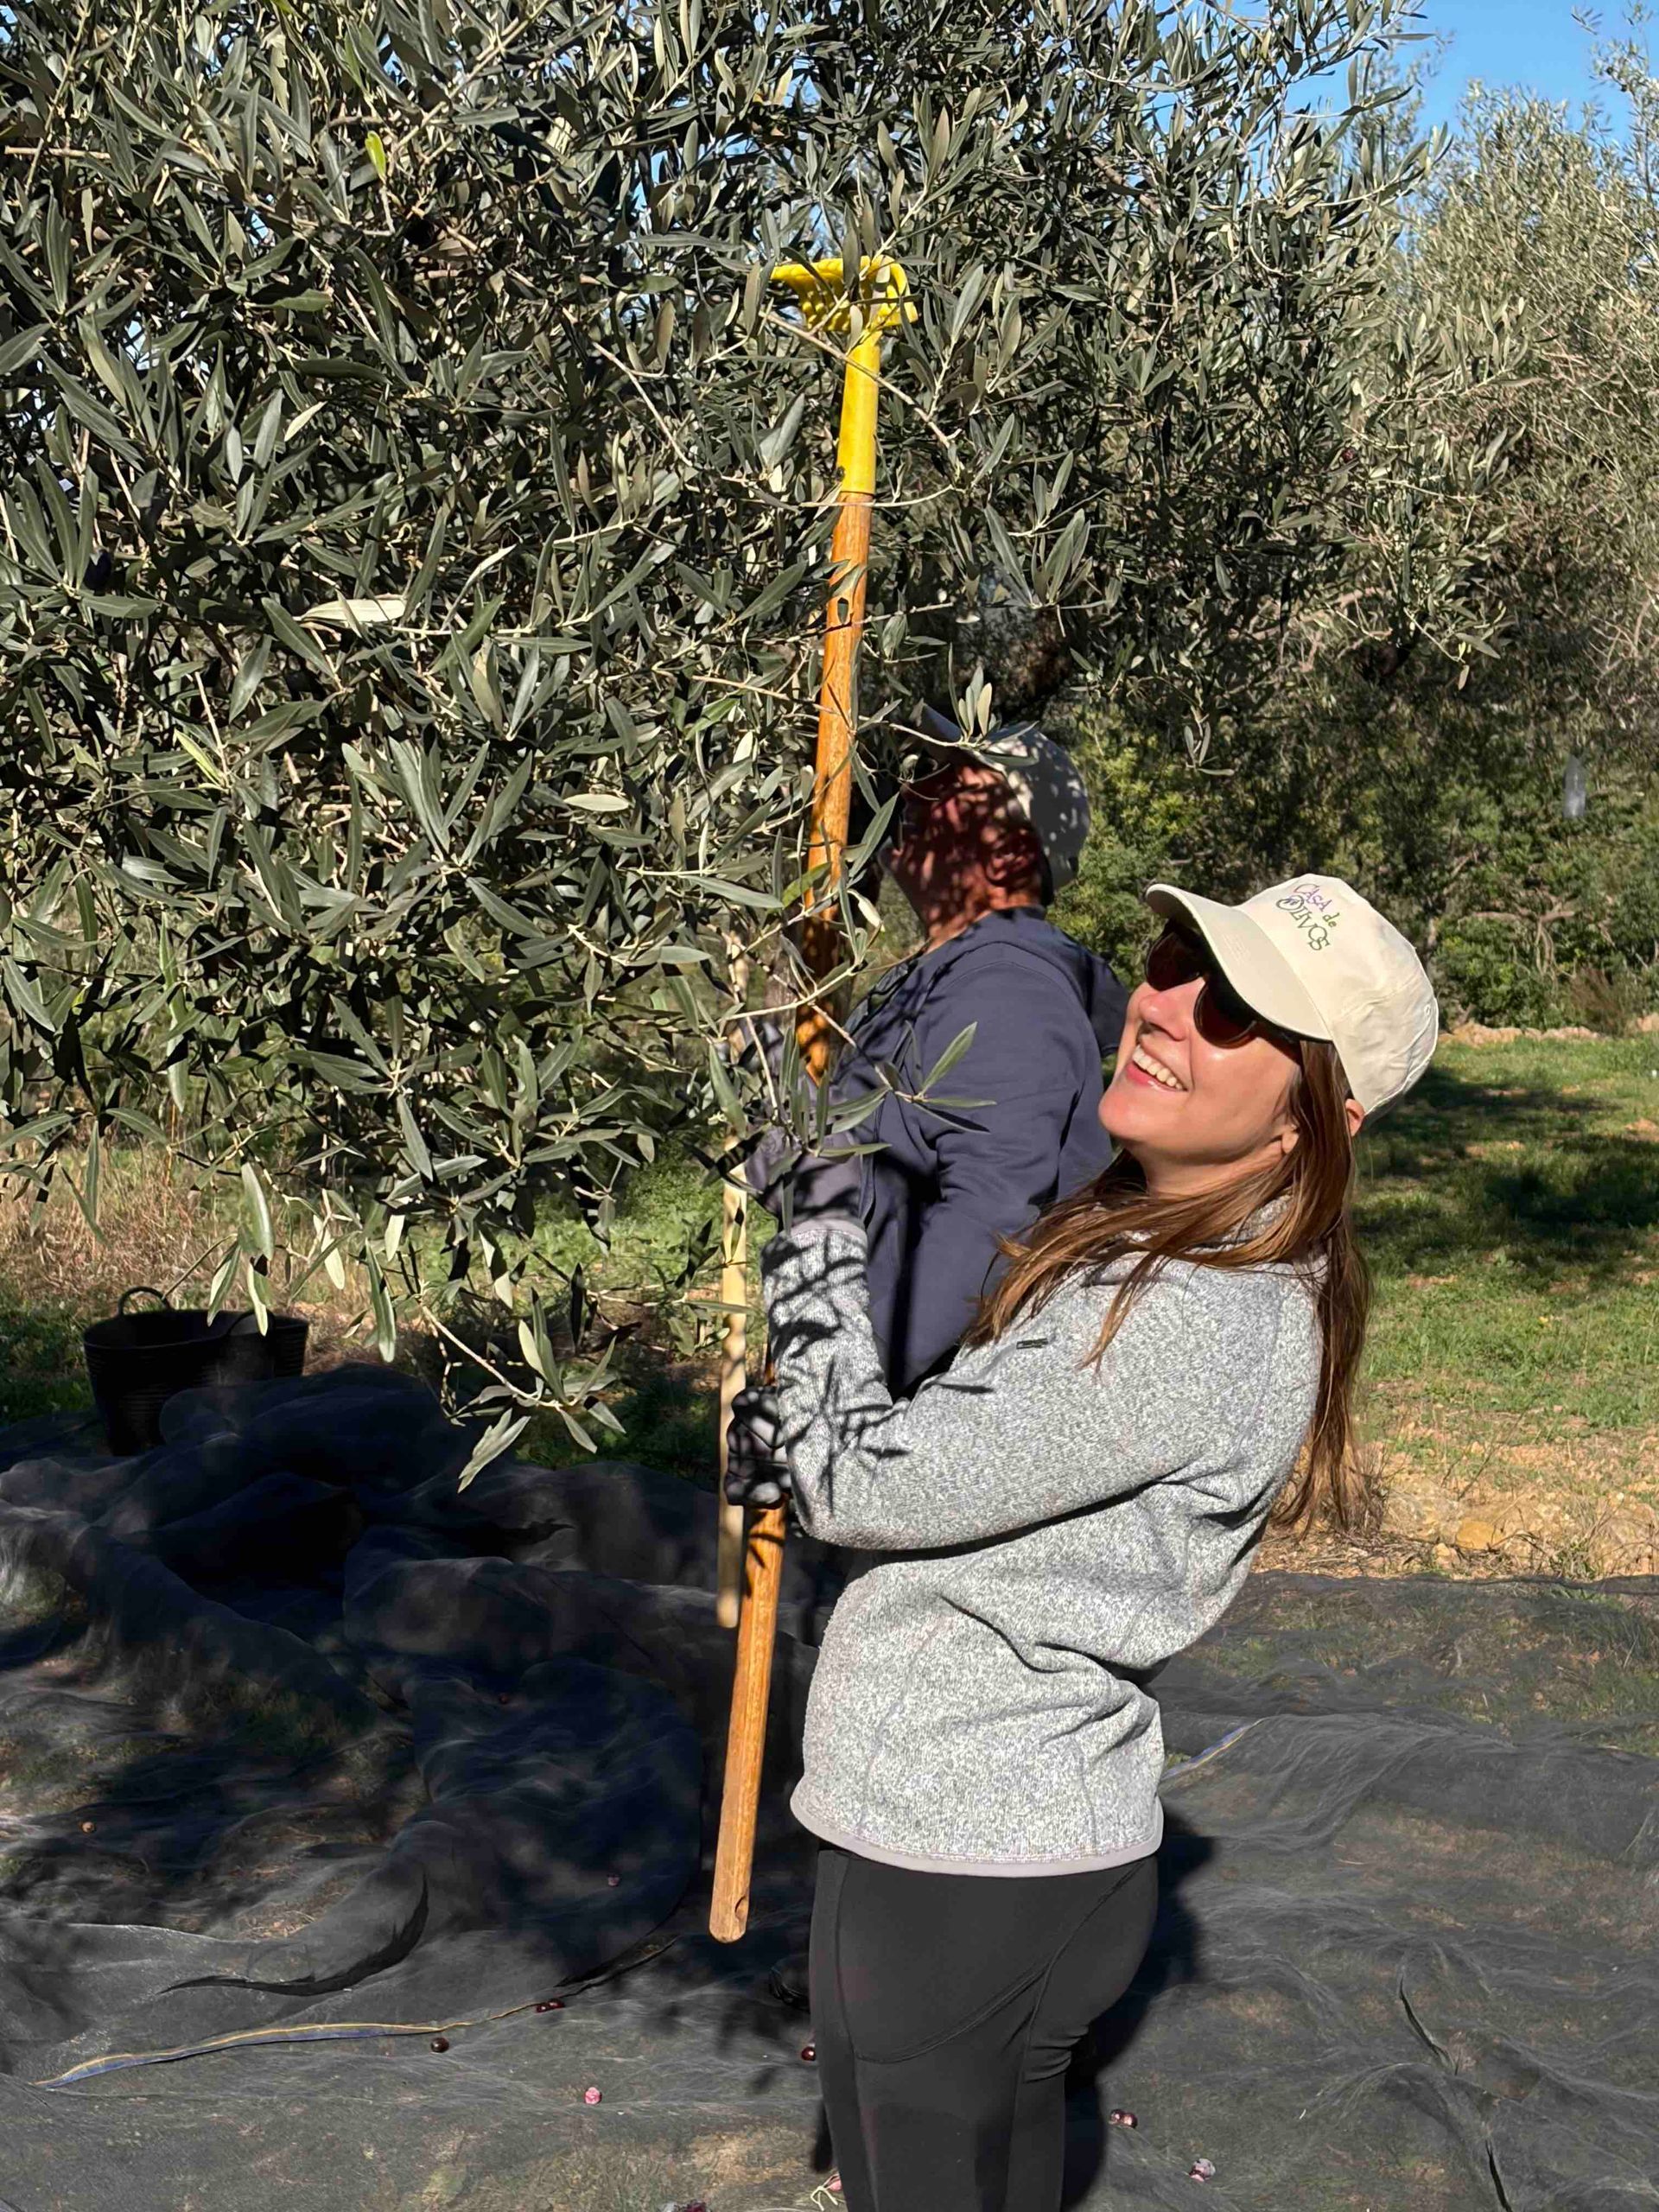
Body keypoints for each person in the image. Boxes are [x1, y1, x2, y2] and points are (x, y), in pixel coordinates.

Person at [728, 872, 1440, 2212]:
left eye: (1234, 1012)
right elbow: (955, 1457)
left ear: (1313, 1122)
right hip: (1021, 1850)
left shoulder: (1192, 1318)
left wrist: (816, 1231)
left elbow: (864, 1481)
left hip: (960, 1858)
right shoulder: (1179, 1264)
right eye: (1174, 960)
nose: (1164, 1006)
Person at [753, 700, 1126, 1395]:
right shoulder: (937, 980)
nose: (918, 792)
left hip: (901, 1439)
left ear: (1011, 851)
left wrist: (835, 1400)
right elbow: (829, 1167)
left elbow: (989, 1220)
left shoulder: (1007, 991)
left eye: (952, 784)